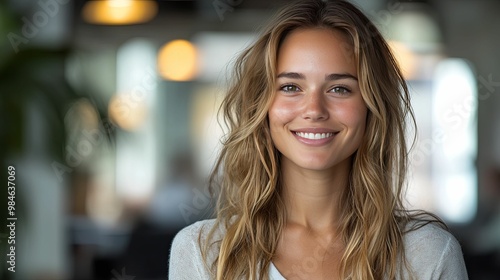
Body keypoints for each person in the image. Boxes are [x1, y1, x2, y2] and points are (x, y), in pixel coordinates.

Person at [169, 0, 468, 279]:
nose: (314, 110)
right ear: (261, 106)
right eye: (290, 87)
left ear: (371, 106)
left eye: (339, 88)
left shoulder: (427, 254)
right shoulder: (205, 253)